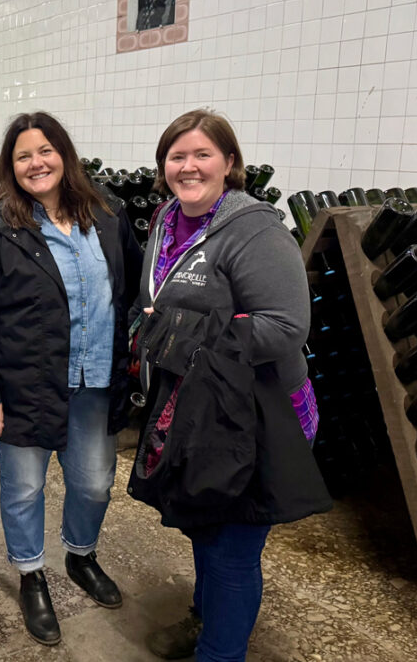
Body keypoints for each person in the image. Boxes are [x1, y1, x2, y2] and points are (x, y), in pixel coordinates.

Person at [129, 109, 331, 661]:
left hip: (258, 413)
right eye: (177, 156)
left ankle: (220, 654)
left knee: (232, 550)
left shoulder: (254, 228)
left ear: (230, 164)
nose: (188, 166)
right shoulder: (167, 220)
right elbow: (156, 301)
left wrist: (179, 333)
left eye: (202, 155)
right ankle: (205, 620)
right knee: (204, 526)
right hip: (197, 405)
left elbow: (288, 327)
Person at [0, 111, 143, 645]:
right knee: (24, 487)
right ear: (9, 168)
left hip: (96, 380)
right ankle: (31, 573)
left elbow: (132, 287)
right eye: (23, 156)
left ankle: (81, 556)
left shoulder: (107, 213)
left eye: (45, 151)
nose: (36, 163)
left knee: (93, 482)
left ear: (64, 154)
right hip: (24, 385)